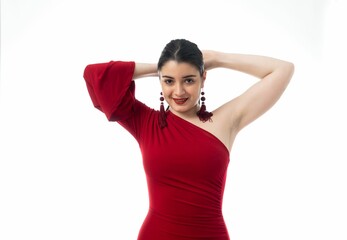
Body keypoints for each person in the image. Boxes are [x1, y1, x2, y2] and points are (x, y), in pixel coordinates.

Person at [83, 39, 294, 239]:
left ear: (203, 78)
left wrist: (217, 58)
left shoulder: (226, 121)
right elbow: (95, 75)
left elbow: (283, 70)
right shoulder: (145, 122)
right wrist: (159, 68)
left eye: (189, 80)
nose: (178, 91)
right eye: (168, 81)